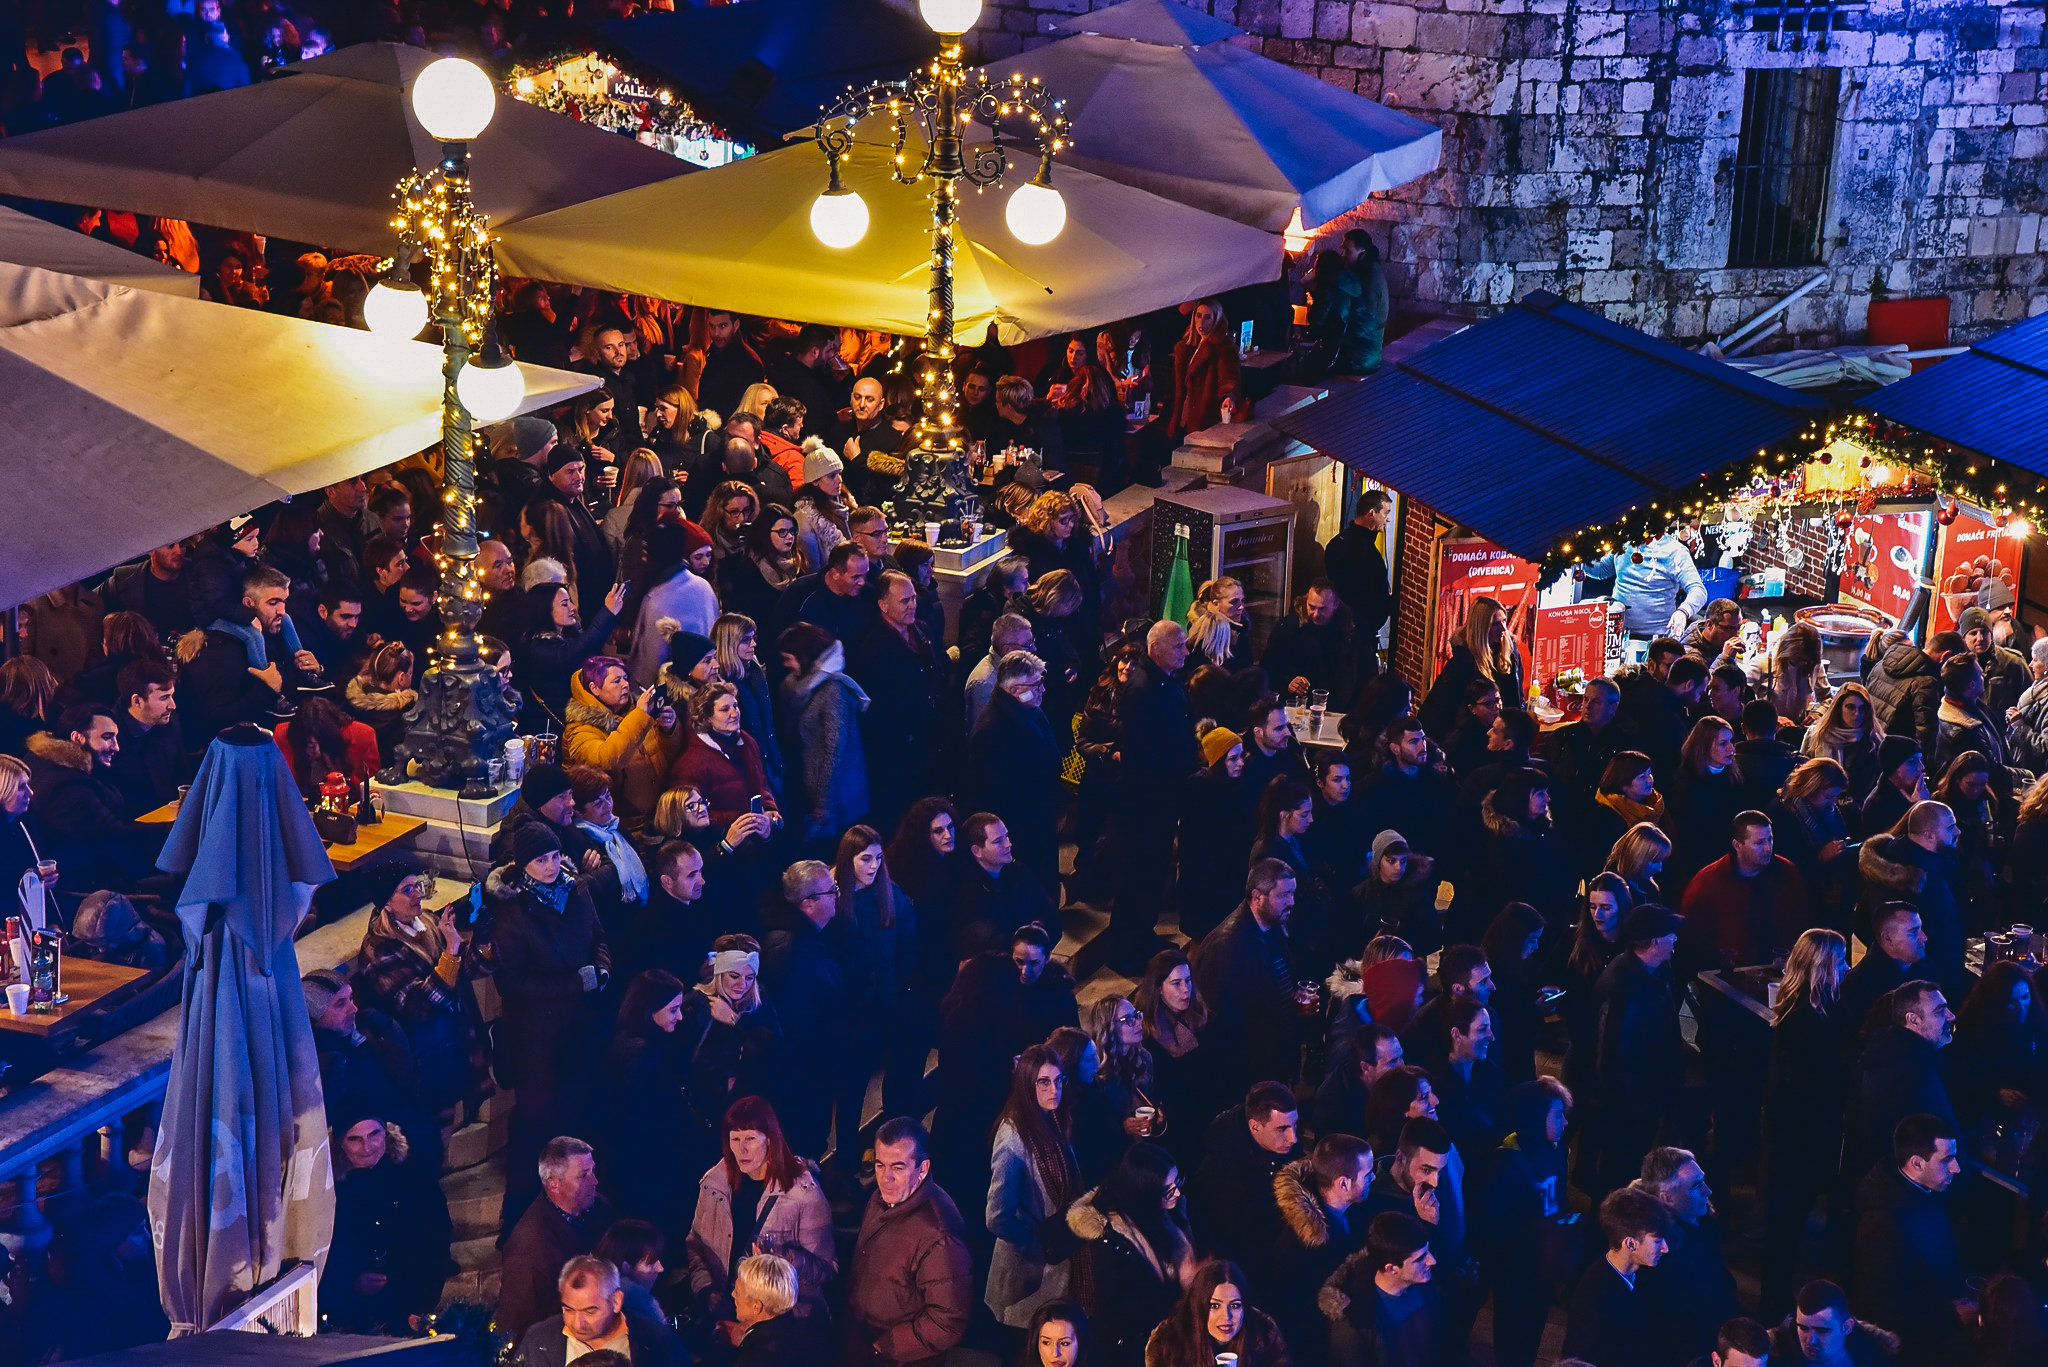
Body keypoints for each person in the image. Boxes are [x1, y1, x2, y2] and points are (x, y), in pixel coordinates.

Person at [482, 827, 612, 1230]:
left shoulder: (576, 890)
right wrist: (577, 983)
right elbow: (512, 983)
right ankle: (522, 1217)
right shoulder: (512, 910)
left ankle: (578, 1204)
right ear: (523, 865)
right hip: (536, 1036)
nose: (552, 866)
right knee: (537, 1123)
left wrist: (602, 968)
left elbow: (598, 938)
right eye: (541, 860)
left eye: (555, 857)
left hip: (579, 1028)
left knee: (578, 1113)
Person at [1761, 929, 1851, 1321]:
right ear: (1825, 968)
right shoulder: (1809, 1022)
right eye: (1841, 961)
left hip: (1791, 1136)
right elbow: (1814, 1087)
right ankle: (1775, 1304)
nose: (1847, 968)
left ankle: (1775, 1299)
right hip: (1801, 1139)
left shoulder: (1796, 1009)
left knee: (1785, 1224)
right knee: (1786, 1226)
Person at [684, 1095, 837, 1322]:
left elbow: (827, 1269)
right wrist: (707, 1291)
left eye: (751, 1138)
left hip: (782, 1322)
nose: (742, 1149)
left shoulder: (803, 1195)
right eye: (735, 1139)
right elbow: (695, 1245)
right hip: (728, 1313)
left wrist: (786, 1258)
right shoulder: (713, 1185)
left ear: (770, 1140)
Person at [351, 865, 479, 1115]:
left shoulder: (428, 922)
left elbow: (469, 971)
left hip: (453, 1044)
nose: (417, 895)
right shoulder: (378, 949)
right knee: (435, 1130)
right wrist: (451, 953)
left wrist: (483, 940)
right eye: (407, 890)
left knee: (453, 1122)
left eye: (418, 886)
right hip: (421, 1058)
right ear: (386, 903)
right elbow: (418, 1005)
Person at [758, 861, 866, 1156]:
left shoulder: (806, 938)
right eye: (832, 891)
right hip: (803, 1077)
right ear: (808, 903)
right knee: (805, 1145)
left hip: (812, 1070)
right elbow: (796, 1023)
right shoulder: (791, 951)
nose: (838, 895)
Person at [847, 1117, 972, 1367]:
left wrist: (886, 1345)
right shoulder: (882, 1198)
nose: (885, 1178)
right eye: (880, 1165)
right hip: (865, 1341)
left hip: (900, 1358)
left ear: (923, 1169)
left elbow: (948, 1321)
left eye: (898, 1167)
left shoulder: (938, 1235)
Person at [321, 1105, 456, 1334]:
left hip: (409, 1304)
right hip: (349, 1316)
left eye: (374, 1134)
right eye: (355, 1139)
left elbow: (437, 1236)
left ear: (386, 1132)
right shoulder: (330, 1189)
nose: (367, 1147)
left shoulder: (414, 1176)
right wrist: (350, 1282)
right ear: (340, 1144)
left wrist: (418, 1301)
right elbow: (324, 1250)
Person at [1061, 1144, 1193, 1367]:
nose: (1177, 1193)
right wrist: (1183, 1282)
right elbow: (1126, 1313)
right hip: (1134, 1352)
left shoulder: (1168, 1213)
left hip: (1169, 1339)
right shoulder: (1113, 1244)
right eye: (1168, 1189)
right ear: (1145, 1193)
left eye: (1178, 1182)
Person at [1851, 1113, 1967, 1367]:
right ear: (1916, 1163)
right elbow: (1883, 1305)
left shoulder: (1925, 1191)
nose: (1956, 1168)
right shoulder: (1884, 1224)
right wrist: (1950, 1311)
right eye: (1947, 1159)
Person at [1478, 1078, 1576, 1367]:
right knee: (1513, 1341)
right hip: (1516, 1274)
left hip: (1544, 1269)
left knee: (1533, 1336)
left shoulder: (1555, 1149)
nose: (1566, 1123)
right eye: (1558, 1115)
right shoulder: (1507, 1163)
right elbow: (1495, 1228)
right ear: (1534, 1117)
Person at [1192, 860, 1311, 1098]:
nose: (1292, 902)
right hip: (1250, 1074)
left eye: (1293, 893)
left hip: (1274, 1059)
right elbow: (1221, 1026)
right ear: (1257, 897)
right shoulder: (1225, 948)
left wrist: (1291, 996)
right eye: (1284, 894)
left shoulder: (1274, 927)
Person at [985, 1044, 1083, 1328]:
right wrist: (1035, 1243)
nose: (1054, 1090)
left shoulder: (1051, 1117)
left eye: (1058, 1080)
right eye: (1043, 1082)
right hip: (1031, 1276)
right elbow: (996, 1217)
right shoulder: (1013, 1137)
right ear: (1027, 1084)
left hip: (1057, 1256)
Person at [1591, 904, 1686, 1195]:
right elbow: (1614, 1055)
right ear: (1655, 941)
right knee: (1620, 1172)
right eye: (1671, 935)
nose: (1675, 940)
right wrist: (1640, 1106)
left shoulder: (1653, 972)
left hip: (1645, 1099)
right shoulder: (1625, 988)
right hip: (1628, 1107)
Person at [24, 703, 166, 894]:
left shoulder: (49, 762)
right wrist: (176, 832)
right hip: (89, 891)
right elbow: (115, 837)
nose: (116, 747)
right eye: (107, 737)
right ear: (77, 738)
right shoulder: (65, 790)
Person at [599, 970, 696, 1238]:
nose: (680, 1016)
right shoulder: (644, 1055)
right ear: (650, 1009)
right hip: (647, 1169)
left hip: (628, 1165)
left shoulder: (625, 1040)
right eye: (674, 1010)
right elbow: (645, 1119)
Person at [671, 938, 783, 1167]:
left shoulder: (759, 1004)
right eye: (734, 976)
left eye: (749, 977)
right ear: (719, 973)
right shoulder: (694, 1007)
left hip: (750, 1113)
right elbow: (680, 1065)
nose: (742, 985)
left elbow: (775, 1054)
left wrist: (733, 1023)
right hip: (706, 1117)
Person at [1269, 1133, 1375, 1367]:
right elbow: (1295, 1317)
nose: (1374, 1177)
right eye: (1367, 1174)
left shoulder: (1359, 1210)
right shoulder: (1296, 1246)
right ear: (1343, 1183)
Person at [965, 650, 1065, 892]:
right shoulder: (992, 731)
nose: (1043, 690)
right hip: (1021, 832)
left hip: (1040, 819)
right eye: (1036, 685)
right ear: (1014, 690)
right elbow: (996, 794)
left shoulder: (1031, 712)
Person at [498, 1138, 616, 1338]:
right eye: (583, 1175)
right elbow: (515, 1326)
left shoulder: (599, 1209)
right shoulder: (529, 1249)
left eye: (593, 1171)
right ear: (554, 1184)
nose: (595, 1181)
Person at [1846, 981, 1956, 1188]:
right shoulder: (1914, 1073)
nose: (1951, 1016)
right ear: (1913, 1019)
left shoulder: (1886, 1054)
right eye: (1940, 1011)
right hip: (1900, 1192)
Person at [1636, 1146, 1739, 1367]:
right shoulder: (1660, 1254)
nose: (1708, 1191)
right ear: (1667, 1199)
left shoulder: (1705, 1225)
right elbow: (1678, 1327)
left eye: (1703, 1180)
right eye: (1696, 1186)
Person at [1187, 1081, 1301, 1266]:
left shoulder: (1286, 1149)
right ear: (1255, 1127)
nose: (1293, 1138)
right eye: (1282, 1129)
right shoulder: (1215, 1173)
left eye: (1295, 1125)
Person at [1858, 801, 1966, 995]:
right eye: (1951, 827)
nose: (1958, 831)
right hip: (1919, 985)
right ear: (1928, 835)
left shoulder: (1927, 863)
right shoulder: (1912, 878)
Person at [1561, 1186, 1676, 1367]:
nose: (1665, 1248)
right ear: (1630, 1243)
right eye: (1656, 1241)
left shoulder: (1647, 1272)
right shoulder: (1594, 1299)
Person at [1679, 809, 1807, 971]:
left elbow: (1800, 922)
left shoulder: (1787, 873)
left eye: (1770, 840)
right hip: (1728, 973)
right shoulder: (1709, 883)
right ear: (1737, 845)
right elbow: (1694, 940)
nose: (1768, 848)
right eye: (1759, 842)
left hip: (1782, 968)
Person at [510, 1254, 683, 1367]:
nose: (577, 1323)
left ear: (616, 1301)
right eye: (568, 1310)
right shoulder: (539, 1339)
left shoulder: (657, 1342)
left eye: (590, 1311)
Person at [1420, 595, 1526, 740]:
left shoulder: (1511, 653)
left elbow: (1517, 697)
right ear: (1482, 627)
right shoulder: (1462, 662)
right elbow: (1442, 707)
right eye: (1495, 624)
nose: (1503, 628)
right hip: (1471, 739)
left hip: (1504, 735)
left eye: (1504, 621)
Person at [106, 658, 182, 814]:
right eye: (164, 698)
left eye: (171, 696)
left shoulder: (169, 722)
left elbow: (182, 775)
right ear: (137, 701)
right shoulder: (109, 739)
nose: (173, 706)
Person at [1769, 1278, 1902, 1367]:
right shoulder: (1781, 1348)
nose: (1811, 1340)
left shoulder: (1873, 1359)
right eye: (1803, 1328)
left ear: (1847, 1327)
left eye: (1822, 1330)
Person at [1169, 299, 1244, 437]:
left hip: (1203, 415)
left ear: (1216, 319)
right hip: (1183, 414)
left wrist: (1229, 396)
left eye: (1207, 317)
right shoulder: (1188, 346)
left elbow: (1229, 376)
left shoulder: (1223, 348)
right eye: (1198, 316)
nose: (1201, 322)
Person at [1865, 631, 1942, 758]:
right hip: (1898, 755)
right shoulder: (1924, 682)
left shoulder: (1879, 666)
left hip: (1873, 745)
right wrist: (1922, 762)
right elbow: (1924, 734)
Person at [1804, 684, 1883, 803]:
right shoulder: (1816, 735)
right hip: (1818, 805)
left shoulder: (1874, 742)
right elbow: (1803, 775)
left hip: (1858, 809)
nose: (1857, 714)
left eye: (1862, 708)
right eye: (1850, 707)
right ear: (1839, 709)